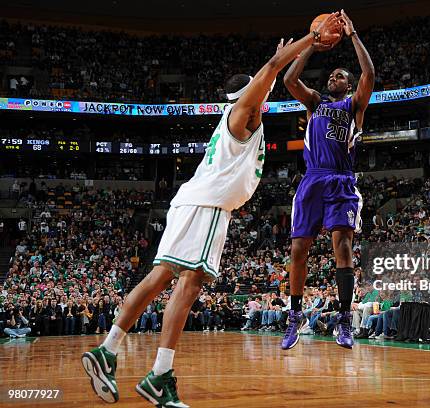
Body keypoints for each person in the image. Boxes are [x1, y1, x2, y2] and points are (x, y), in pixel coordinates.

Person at [82, 14, 342, 407]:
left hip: (197, 203)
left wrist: (292, 54)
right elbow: (272, 70)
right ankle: (152, 371)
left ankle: (116, 352)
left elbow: (271, 73)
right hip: (207, 207)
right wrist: (310, 39)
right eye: (260, 88)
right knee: (188, 285)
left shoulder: (238, 115)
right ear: (250, 93)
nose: (265, 90)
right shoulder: (246, 113)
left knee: (163, 277)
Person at [281, 9, 375, 350]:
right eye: (331, 74)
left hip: (341, 181)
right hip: (312, 180)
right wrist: (312, 44)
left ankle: (345, 320)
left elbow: (370, 72)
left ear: (347, 84)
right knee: (298, 250)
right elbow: (290, 80)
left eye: (338, 75)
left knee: (344, 248)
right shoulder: (315, 102)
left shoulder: (354, 105)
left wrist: (352, 35)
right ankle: (294, 317)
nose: (332, 77)